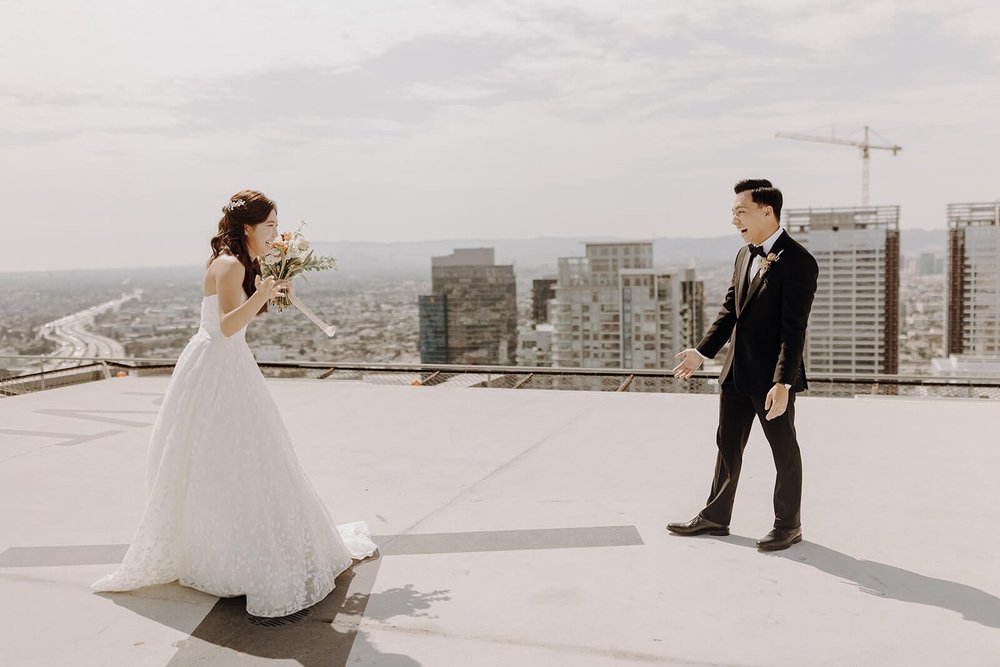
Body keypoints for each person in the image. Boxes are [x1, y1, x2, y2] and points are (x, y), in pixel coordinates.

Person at [92, 190, 377, 616]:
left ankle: (235, 543)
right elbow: (227, 326)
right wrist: (262, 294)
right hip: (216, 366)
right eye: (270, 226)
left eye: (278, 226)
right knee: (225, 457)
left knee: (249, 455)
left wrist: (273, 291)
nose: (276, 234)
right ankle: (227, 553)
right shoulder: (228, 264)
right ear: (249, 227)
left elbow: (243, 316)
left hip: (230, 363)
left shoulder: (246, 262)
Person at [669, 179, 818, 551]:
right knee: (727, 445)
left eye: (741, 212)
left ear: (767, 211)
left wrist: (782, 382)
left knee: (783, 450)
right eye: (733, 213)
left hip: (771, 380)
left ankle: (788, 525)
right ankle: (715, 517)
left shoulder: (799, 261)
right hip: (735, 372)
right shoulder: (744, 255)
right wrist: (701, 353)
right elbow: (729, 312)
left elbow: (793, 329)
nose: (735, 220)